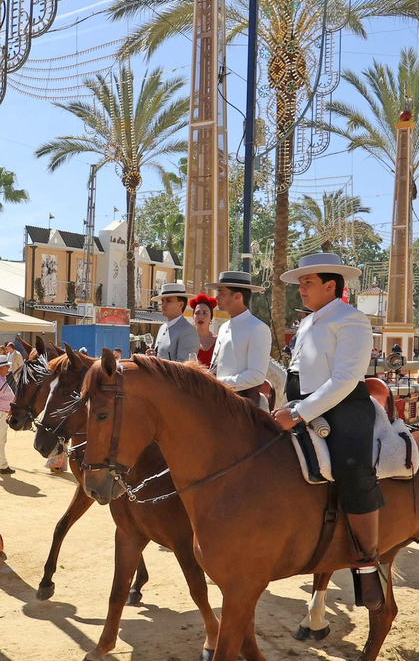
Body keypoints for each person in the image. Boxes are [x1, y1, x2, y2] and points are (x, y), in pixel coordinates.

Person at [269, 253, 386, 609]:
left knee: (352, 467)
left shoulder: (352, 319)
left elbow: (346, 379)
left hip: (346, 407)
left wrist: (299, 413)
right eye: (300, 283)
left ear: (330, 285)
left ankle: (367, 563)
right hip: (301, 406)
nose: (301, 289)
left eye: (308, 283)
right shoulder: (308, 322)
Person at [206, 270, 272, 407]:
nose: (216, 297)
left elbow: (257, 376)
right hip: (219, 402)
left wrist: (220, 383)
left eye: (221, 292)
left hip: (243, 407)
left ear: (237, 296)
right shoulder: (223, 327)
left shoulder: (258, 328)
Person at [152, 282, 200, 362]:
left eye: (168, 300)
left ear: (181, 304)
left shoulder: (188, 331)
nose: (163, 304)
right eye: (162, 301)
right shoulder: (163, 328)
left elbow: (184, 368)